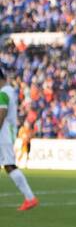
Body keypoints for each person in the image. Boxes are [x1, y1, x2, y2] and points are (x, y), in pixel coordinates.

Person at [0, 70, 38, 211]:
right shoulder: (10, 90)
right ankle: (30, 198)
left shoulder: (3, 93)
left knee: (9, 165)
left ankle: (30, 198)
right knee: (8, 165)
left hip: (3, 135)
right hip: (6, 133)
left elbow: (1, 115)